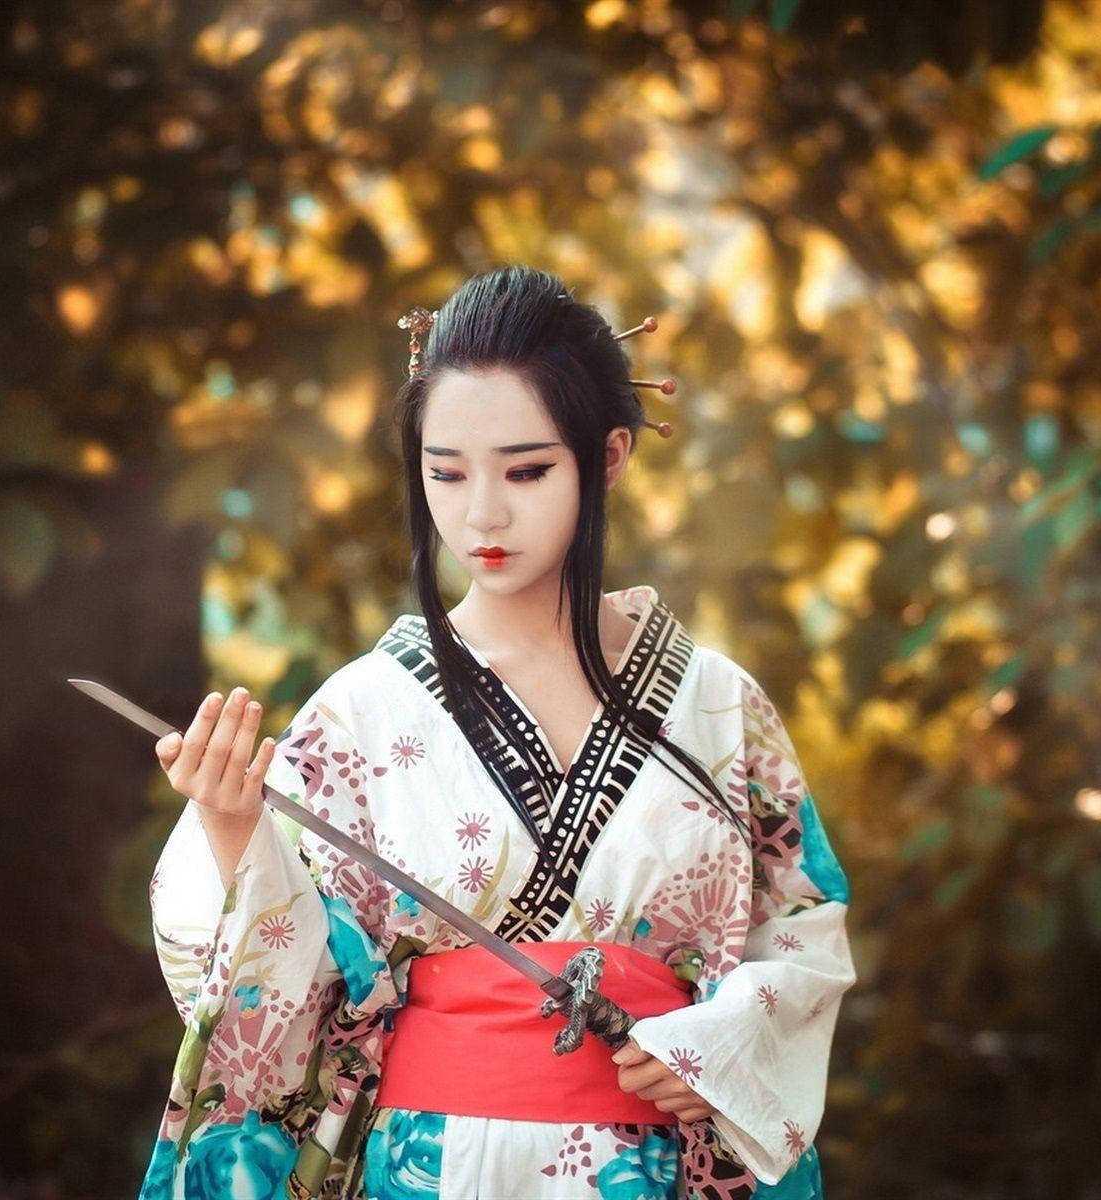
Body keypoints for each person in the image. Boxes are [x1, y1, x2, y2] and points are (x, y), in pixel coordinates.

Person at [138, 266, 855, 1199]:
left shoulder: (720, 706)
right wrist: (233, 832)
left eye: (525, 470)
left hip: (660, 1165)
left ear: (609, 458)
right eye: (446, 473)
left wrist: (716, 1050)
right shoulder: (361, 713)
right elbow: (287, 995)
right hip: (431, 1166)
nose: (481, 513)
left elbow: (802, 935)